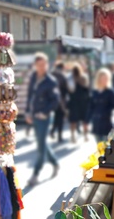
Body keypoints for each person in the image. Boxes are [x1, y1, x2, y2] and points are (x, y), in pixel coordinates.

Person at [25, 52, 59, 186]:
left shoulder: (51, 81)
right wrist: (27, 112)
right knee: (42, 143)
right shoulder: (33, 77)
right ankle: (55, 163)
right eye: (39, 65)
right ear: (35, 65)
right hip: (34, 115)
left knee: (40, 146)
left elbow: (55, 100)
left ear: (48, 65)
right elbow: (29, 95)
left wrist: (45, 113)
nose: (42, 67)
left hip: (44, 117)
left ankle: (35, 174)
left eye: (44, 64)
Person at [87, 68, 114, 142]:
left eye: (106, 78)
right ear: (99, 79)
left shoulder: (110, 92)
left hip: (106, 123)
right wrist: (86, 121)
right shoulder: (94, 92)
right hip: (96, 123)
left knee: (106, 147)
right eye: (103, 78)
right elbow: (91, 107)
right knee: (98, 146)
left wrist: (106, 113)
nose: (104, 80)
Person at [68, 63, 90, 143]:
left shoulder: (71, 79)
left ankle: (73, 136)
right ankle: (85, 136)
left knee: (73, 121)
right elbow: (87, 89)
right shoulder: (84, 78)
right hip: (83, 102)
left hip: (73, 102)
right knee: (85, 121)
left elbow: (69, 90)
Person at [50, 62, 68, 142]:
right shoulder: (62, 76)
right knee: (60, 118)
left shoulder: (51, 74)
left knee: (57, 117)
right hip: (61, 100)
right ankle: (59, 136)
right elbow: (65, 89)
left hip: (53, 99)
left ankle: (53, 131)